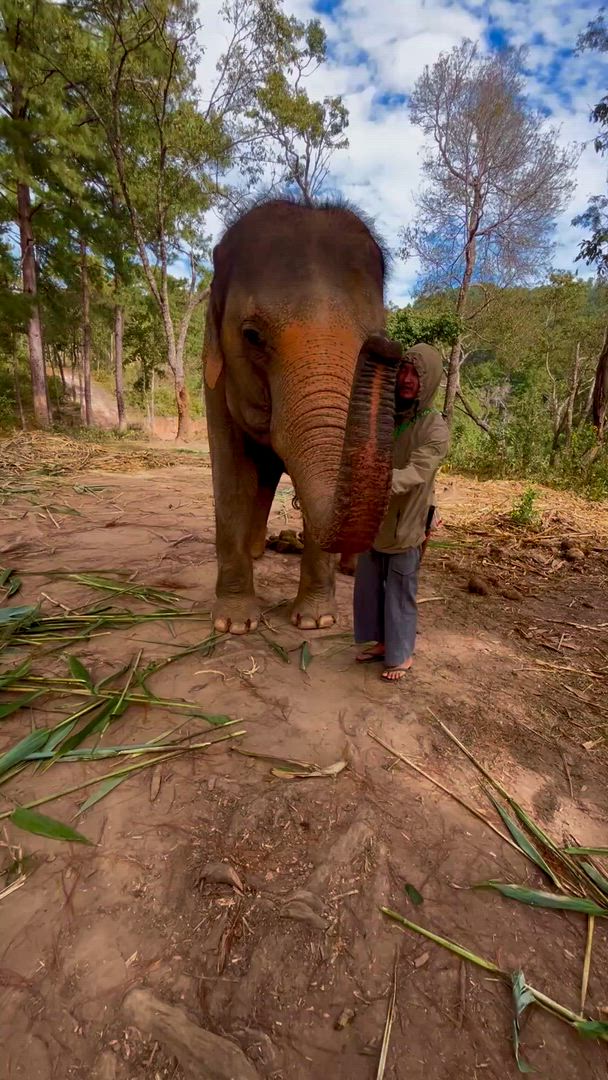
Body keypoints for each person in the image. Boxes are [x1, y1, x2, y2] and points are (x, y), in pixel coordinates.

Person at [354, 343, 450, 681]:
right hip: (374, 518)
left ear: (429, 380)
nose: (406, 379)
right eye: (403, 371)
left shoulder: (434, 428)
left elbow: (417, 472)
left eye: (416, 374)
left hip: (407, 520)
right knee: (370, 587)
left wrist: (375, 482)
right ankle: (383, 644)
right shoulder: (389, 415)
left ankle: (402, 655)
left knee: (400, 590)